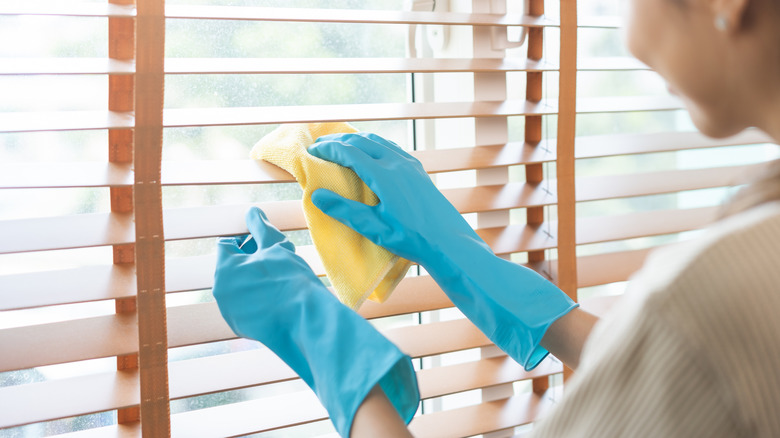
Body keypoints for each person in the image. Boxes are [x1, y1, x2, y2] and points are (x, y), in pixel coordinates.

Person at [212, 0, 780, 434]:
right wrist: (465, 259)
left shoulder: (712, 288)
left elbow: (692, 348)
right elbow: (692, 380)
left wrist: (322, 341)